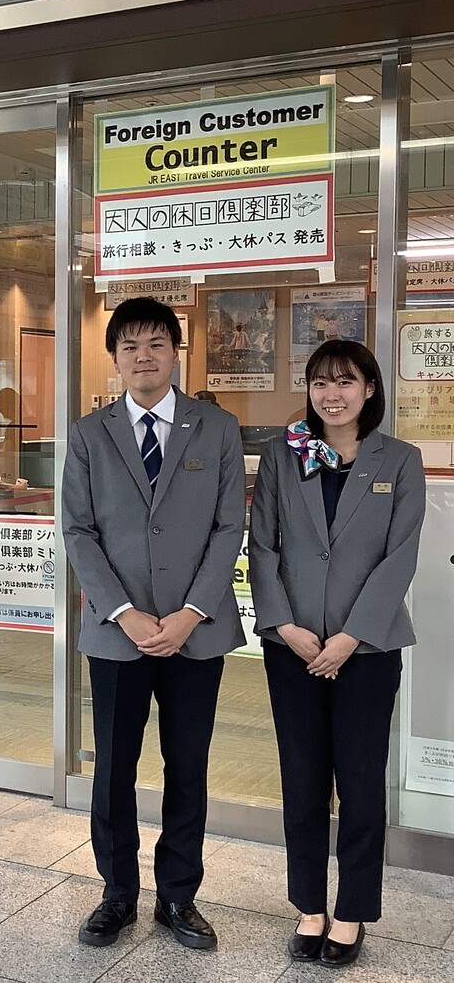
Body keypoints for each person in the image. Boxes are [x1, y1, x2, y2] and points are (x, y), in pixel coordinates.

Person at [61, 296, 245, 952]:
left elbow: (230, 526)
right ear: (114, 358)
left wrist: (191, 611)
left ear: (176, 352)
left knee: (187, 763)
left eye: (157, 343)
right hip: (118, 631)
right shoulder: (88, 434)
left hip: (196, 631)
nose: (145, 355)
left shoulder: (216, 428)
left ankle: (178, 896)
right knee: (114, 765)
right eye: (131, 345)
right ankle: (117, 892)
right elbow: (78, 530)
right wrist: (126, 612)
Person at [249, 340, 424, 969]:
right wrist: (287, 626)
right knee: (301, 779)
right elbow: (262, 546)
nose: (332, 393)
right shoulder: (283, 454)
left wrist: (350, 637)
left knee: (358, 781)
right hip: (291, 646)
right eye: (321, 382)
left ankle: (350, 911)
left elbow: (399, 555)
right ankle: (309, 907)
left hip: (368, 649)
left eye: (346, 381)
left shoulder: (399, 459)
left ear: (370, 389)